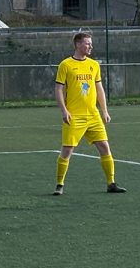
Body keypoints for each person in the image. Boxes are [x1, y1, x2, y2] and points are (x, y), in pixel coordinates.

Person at [53, 31, 125, 196]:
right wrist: (64, 110)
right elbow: (58, 89)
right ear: (78, 44)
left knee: (104, 147)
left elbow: (99, 88)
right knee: (67, 150)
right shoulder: (66, 65)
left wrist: (104, 111)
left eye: (91, 43)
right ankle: (59, 184)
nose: (90, 46)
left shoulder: (94, 65)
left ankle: (111, 183)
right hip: (74, 116)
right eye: (87, 43)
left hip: (93, 115)